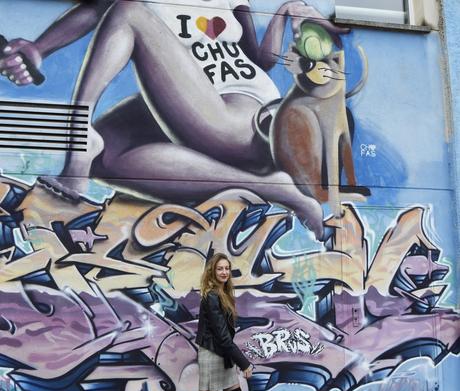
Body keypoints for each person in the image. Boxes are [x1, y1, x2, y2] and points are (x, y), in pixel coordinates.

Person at [0, 1, 347, 240]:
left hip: (245, 110)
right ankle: (271, 186)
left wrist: (284, 14)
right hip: (193, 103)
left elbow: (258, 59)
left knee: (129, 11)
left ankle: (77, 132)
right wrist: (39, 48)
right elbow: (94, 9)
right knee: (108, 160)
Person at [183, 252, 278, 391]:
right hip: (213, 356)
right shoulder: (212, 297)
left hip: (222, 354)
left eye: (226, 268)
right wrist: (244, 363)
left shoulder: (222, 294)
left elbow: (225, 339)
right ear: (212, 272)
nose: (224, 272)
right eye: (219, 269)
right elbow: (223, 338)